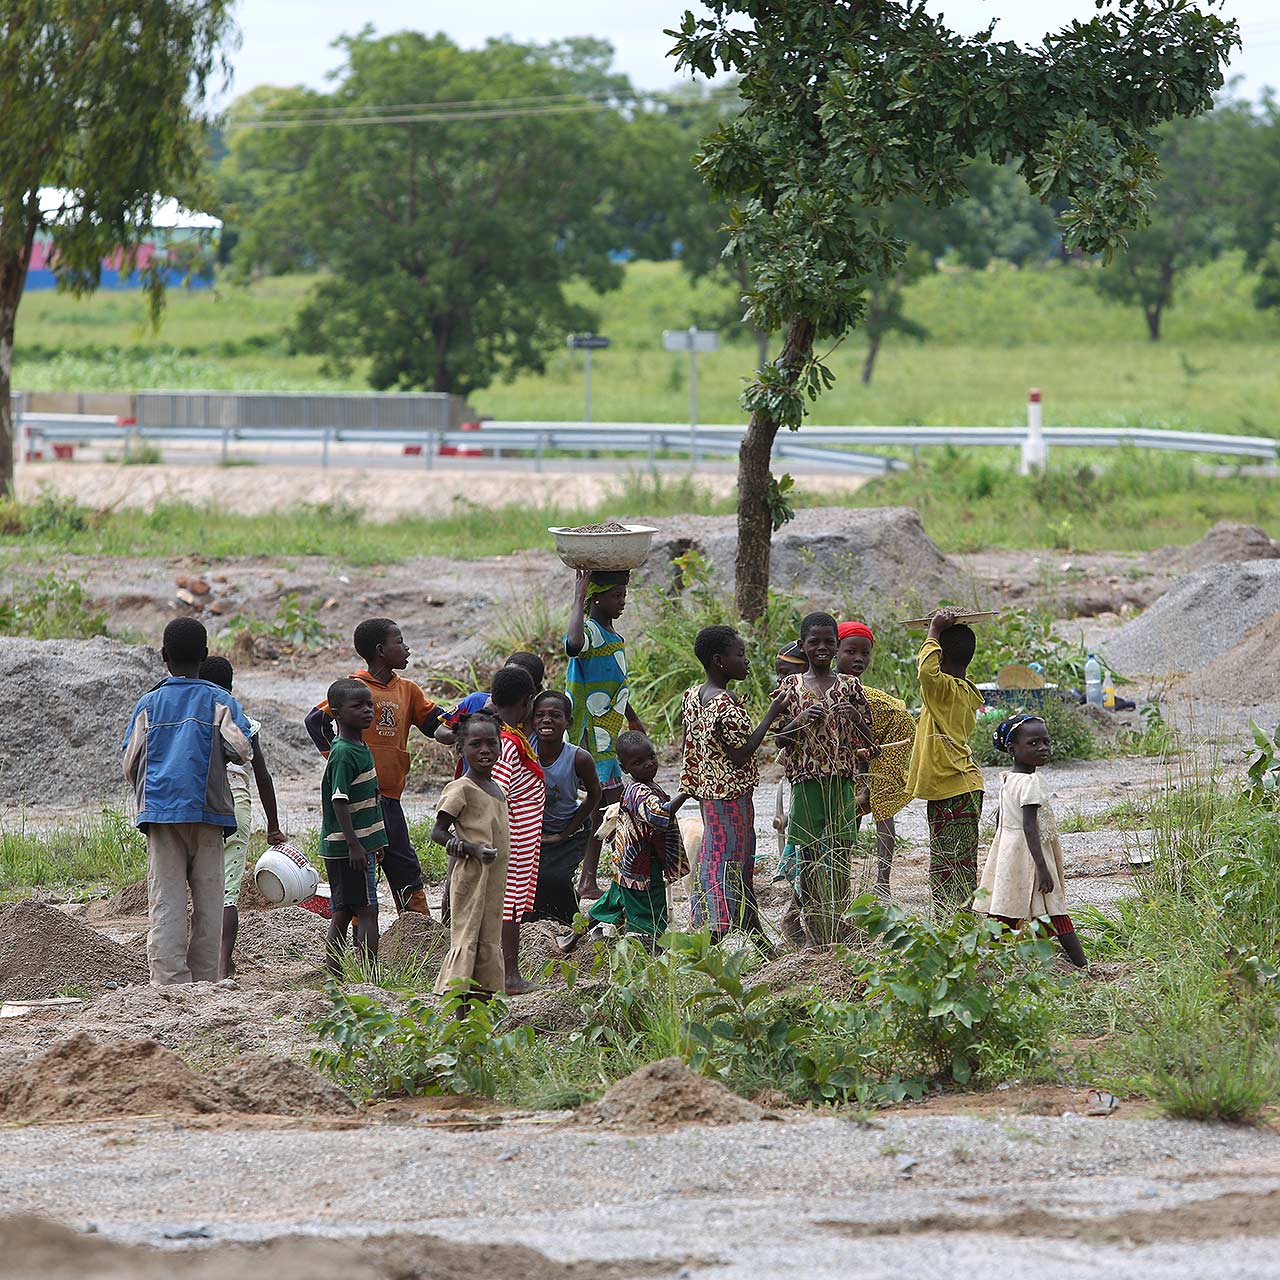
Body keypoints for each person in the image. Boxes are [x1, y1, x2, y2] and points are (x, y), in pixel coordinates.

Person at [122, 618, 253, 986]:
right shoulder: (220, 702)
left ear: (164, 657)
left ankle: (168, 980)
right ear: (205, 656)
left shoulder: (148, 704)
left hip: (161, 814)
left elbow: (130, 763)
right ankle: (207, 980)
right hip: (209, 812)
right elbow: (242, 750)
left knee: (166, 899)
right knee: (210, 901)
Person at [305, 618, 442, 919]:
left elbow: (435, 725)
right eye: (400, 642)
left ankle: (417, 929)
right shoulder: (354, 690)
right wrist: (336, 755)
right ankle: (360, 937)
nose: (407, 648)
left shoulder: (408, 690)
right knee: (358, 869)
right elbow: (315, 720)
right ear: (381, 650)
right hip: (359, 800)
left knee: (403, 862)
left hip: (389, 798)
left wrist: (464, 723)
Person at [773, 611, 874, 947]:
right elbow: (779, 739)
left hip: (842, 780)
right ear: (803, 645)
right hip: (805, 781)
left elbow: (871, 745)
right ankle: (816, 923)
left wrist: (856, 717)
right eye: (814, 642)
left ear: (837, 645)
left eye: (829, 642)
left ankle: (840, 917)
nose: (822, 647)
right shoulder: (791, 686)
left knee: (841, 850)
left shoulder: (850, 686)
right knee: (810, 853)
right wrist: (800, 719)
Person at [680, 625, 786, 946]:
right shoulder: (725, 706)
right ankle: (719, 928)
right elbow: (740, 755)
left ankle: (741, 929)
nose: (747, 661)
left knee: (715, 856)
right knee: (733, 861)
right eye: (740, 654)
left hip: (709, 796)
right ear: (719, 661)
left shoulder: (693, 696)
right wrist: (771, 714)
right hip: (732, 797)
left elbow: (698, 746)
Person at [557, 731, 689, 952]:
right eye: (638, 762)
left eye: (651, 757)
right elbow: (659, 816)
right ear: (624, 767)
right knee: (650, 910)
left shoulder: (645, 786)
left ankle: (573, 936)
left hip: (627, 864)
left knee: (611, 903)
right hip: (643, 868)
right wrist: (686, 793)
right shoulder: (639, 792)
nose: (648, 765)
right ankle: (648, 950)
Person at [197, 655, 286, 978]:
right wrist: (273, 827)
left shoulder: (192, 720)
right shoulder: (243, 721)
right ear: (231, 687)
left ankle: (199, 962)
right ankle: (222, 966)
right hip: (236, 803)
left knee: (198, 887)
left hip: (200, 804)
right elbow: (262, 776)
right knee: (228, 891)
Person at [977, 715, 1087, 968]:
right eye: (1033, 743)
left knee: (1006, 909)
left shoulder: (1008, 779)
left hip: (1010, 853)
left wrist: (1000, 853)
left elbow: (1002, 820)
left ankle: (986, 965)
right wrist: (1042, 868)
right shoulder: (1030, 782)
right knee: (1053, 908)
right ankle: (1082, 968)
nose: (1043, 748)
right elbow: (1029, 826)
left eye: (1046, 742)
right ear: (1012, 750)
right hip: (1031, 853)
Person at [565, 568, 644, 900]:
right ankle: (600, 878)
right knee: (609, 808)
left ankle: (591, 879)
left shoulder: (613, 636)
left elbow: (615, 686)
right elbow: (571, 645)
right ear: (596, 597)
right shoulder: (590, 632)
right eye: (615, 596)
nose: (622, 602)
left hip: (608, 733)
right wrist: (577, 597)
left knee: (606, 807)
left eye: (624, 596)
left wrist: (633, 718)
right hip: (590, 734)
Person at [907, 608, 986, 914]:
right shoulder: (962, 691)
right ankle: (956, 922)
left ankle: (953, 924)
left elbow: (926, 673)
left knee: (948, 866)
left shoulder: (943, 691)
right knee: (957, 863)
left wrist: (934, 632)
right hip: (959, 787)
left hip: (954, 788)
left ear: (940, 658)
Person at [431, 710, 510, 1001]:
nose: (485, 750)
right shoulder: (461, 788)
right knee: (466, 937)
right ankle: (458, 1013)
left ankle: (480, 1011)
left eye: (491, 743)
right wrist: (471, 849)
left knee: (488, 937)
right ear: (461, 748)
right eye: (476, 744)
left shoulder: (497, 789)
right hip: (470, 878)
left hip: (492, 882)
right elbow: (438, 832)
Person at [834, 621, 916, 897]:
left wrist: (869, 769)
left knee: (882, 803)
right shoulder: (830, 684)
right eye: (851, 652)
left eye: (865, 653)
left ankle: (882, 882)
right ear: (836, 651)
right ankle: (841, 875)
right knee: (852, 803)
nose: (859, 658)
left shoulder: (850, 688)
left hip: (894, 732)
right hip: (865, 741)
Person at [320, 678, 386, 978]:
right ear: (336, 713)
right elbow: (339, 800)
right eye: (357, 706)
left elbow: (369, 800)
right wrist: (354, 845)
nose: (367, 710)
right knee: (367, 911)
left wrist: (376, 841)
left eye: (369, 704)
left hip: (357, 845)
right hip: (349, 848)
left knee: (343, 911)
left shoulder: (359, 744)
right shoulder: (345, 751)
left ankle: (336, 975)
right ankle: (371, 976)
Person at [489, 664, 543, 994]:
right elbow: (499, 791)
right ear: (528, 701)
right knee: (509, 906)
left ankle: (504, 973)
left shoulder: (510, 737)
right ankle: (510, 976)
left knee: (511, 905)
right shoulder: (507, 742)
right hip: (514, 839)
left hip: (521, 839)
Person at [529, 690, 602, 926]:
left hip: (571, 831)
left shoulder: (578, 758)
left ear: (568, 722)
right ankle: (534, 925)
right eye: (540, 715)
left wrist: (566, 832)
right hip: (533, 832)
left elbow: (595, 795)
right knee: (531, 881)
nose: (546, 720)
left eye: (555, 715)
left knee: (556, 878)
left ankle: (573, 925)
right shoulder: (524, 751)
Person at [434, 652, 546, 753]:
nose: (510, 682)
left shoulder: (541, 717)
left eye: (521, 682)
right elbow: (439, 732)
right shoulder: (476, 701)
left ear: (536, 690)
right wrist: (465, 734)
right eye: (506, 676)